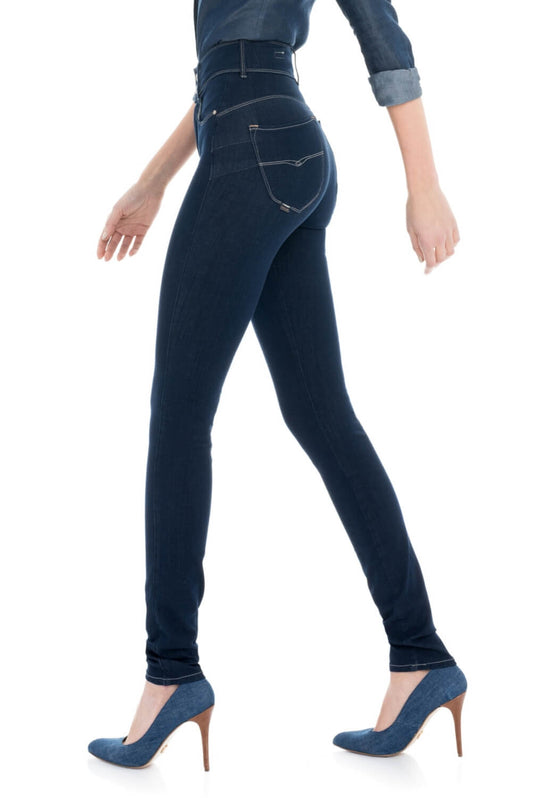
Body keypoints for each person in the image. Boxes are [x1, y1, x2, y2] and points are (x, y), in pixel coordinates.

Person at [88, 0, 467, 769]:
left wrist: (423, 186)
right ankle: (420, 657)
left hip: (253, 153)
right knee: (321, 417)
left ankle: (171, 673)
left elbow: (383, 40)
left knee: (179, 417)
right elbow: (222, 68)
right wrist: (151, 182)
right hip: (276, 148)